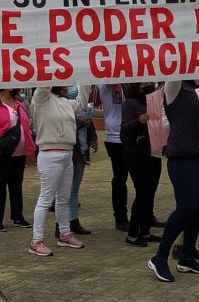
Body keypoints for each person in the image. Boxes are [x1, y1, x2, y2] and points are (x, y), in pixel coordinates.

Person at [147, 80, 199, 282]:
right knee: (187, 206)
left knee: (198, 207)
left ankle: (187, 255)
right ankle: (160, 256)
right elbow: (176, 71)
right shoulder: (176, 87)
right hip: (184, 154)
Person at [27, 85, 89, 256]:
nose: (67, 85)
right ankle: (36, 240)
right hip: (49, 154)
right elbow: (44, 84)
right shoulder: (41, 99)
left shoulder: (65, 102)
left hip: (67, 153)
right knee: (46, 198)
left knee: (64, 198)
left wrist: (87, 81)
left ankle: (64, 234)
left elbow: (82, 102)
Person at [0, 89, 36, 232]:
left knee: (16, 185)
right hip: (2, 152)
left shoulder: (19, 104)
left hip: (20, 153)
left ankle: (18, 217)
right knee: (0, 186)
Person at [122, 82, 159, 246]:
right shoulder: (130, 103)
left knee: (150, 192)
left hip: (153, 151)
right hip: (135, 153)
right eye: (144, 82)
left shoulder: (155, 101)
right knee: (142, 192)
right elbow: (124, 128)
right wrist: (139, 121)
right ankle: (132, 234)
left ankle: (145, 231)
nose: (148, 84)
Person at [92, 84, 132, 230]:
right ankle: (120, 217)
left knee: (143, 178)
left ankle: (147, 213)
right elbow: (108, 81)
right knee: (120, 178)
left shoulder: (129, 84)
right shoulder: (107, 84)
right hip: (115, 138)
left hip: (132, 134)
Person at [67, 101, 97, 235]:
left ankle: (73, 220)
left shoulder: (85, 109)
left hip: (82, 153)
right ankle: (66, 222)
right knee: (67, 190)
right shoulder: (64, 108)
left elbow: (89, 125)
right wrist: (80, 122)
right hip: (71, 153)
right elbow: (66, 126)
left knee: (74, 189)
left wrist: (93, 138)